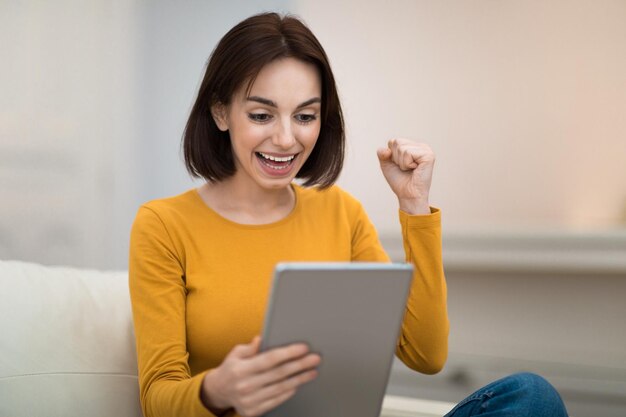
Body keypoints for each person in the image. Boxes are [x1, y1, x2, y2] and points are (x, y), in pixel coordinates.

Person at [128, 12, 568, 417]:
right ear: (221, 112)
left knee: (530, 396)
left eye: (305, 116)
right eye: (262, 114)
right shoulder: (164, 225)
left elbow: (426, 355)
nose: (285, 138)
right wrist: (217, 390)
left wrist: (414, 207)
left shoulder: (341, 213)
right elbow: (158, 397)